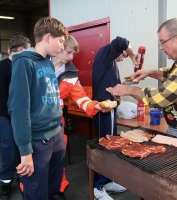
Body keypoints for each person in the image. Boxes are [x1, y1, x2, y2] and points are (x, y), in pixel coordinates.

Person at [111, 18, 177, 147]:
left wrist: (127, 90)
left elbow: (161, 98)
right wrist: (150, 72)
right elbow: (171, 74)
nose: (161, 47)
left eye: (163, 42)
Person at [7, 16, 69, 199]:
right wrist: (25, 151)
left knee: (53, 188)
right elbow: (19, 110)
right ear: (48, 37)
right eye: (61, 41)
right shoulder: (24, 63)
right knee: (36, 193)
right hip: (38, 142)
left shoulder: (48, 62)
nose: (62, 47)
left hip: (56, 134)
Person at [51, 35, 110, 200]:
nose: (71, 58)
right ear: (58, 48)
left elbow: (81, 98)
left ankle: (58, 190)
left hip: (56, 123)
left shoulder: (70, 74)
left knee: (57, 159)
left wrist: (96, 105)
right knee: (37, 162)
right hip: (35, 124)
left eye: (73, 54)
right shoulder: (38, 65)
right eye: (69, 52)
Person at [92, 36, 139, 200]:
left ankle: (107, 181)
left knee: (111, 145)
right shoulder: (104, 54)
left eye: (125, 57)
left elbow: (115, 89)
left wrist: (130, 83)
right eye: (123, 55)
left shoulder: (110, 65)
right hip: (102, 110)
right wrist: (133, 55)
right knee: (104, 147)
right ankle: (97, 187)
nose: (122, 58)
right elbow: (121, 41)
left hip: (110, 109)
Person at [0, 33, 31, 199]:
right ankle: (5, 183)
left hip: (23, 118)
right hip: (7, 118)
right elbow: (0, 97)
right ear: (21, 49)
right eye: (28, 50)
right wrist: (12, 116)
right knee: (9, 152)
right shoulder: (2, 67)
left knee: (24, 150)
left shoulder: (23, 66)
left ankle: (22, 179)